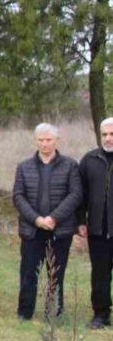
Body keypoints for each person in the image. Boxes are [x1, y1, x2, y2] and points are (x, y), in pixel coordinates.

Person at [12, 123, 82, 321]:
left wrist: (53, 218)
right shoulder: (24, 167)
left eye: (48, 140)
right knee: (28, 273)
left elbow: (76, 194)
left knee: (55, 274)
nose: (44, 144)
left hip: (60, 230)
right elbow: (18, 196)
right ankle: (24, 312)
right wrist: (37, 219)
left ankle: (53, 313)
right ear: (36, 141)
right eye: (41, 140)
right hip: (32, 230)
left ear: (56, 141)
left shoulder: (70, 166)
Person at [76, 117, 113, 329]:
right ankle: (101, 314)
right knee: (99, 274)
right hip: (97, 229)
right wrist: (81, 221)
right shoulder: (90, 160)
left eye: (112, 134)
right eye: (105, 134)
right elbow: (81, 195)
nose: (108, 138)